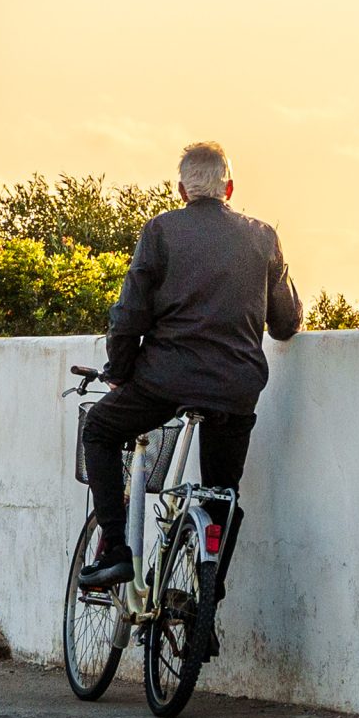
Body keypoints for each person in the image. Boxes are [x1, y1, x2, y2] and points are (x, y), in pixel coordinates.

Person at [77, 140, 301, 590]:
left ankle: (118, 548)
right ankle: (206, 598)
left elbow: (128, 316)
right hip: (235, 389)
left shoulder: (161, 232)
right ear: (229, 188)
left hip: (164, 384)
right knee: (221, 489)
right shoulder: (262, 236)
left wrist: (119, 372)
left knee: (99, 429)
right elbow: (286, 324)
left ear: (181, 190)